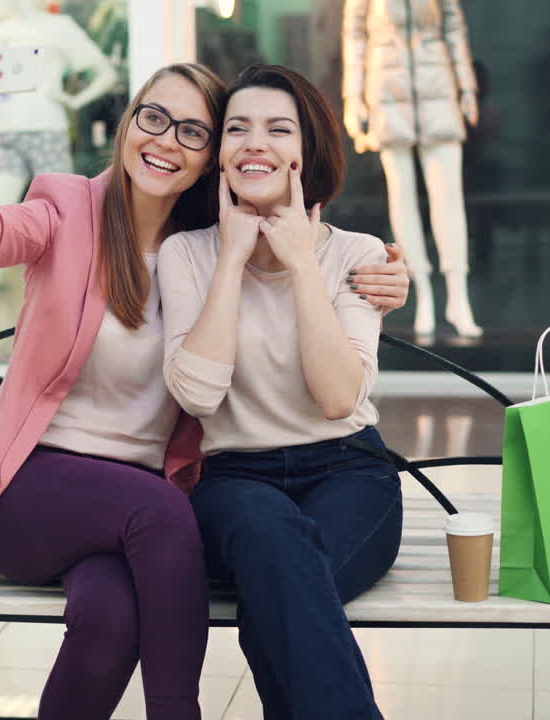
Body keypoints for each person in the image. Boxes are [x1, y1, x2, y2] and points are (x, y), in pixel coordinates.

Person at [0, 44, 410, 720]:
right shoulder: (80, 212)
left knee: (110, 618)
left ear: (208, 159)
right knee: (181, 519)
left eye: (192, 131)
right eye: (153, 118)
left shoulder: (214, 240)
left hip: (146, 511)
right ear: (127, 124)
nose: (165, 141)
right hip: (45, 484)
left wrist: (346, 270)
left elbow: (333, 376)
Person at [157, 64, 402, 720]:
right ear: (218, 156)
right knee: (277, 552)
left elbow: (336, 399)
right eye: (236, 129)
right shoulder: (185, 255)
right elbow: (199, 398)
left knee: (283, 592)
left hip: (352, 469)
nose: (254, 143)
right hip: (236, 479)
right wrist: (234, 259)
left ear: (307, 151)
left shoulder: (357, 253)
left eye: (277, 129)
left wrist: (299, 262)